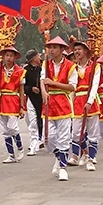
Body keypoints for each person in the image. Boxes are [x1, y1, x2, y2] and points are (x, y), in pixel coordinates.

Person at [42, 37, 77, 181]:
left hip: (63, 102)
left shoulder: (70, 66)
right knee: (48, 138)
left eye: (55, 47)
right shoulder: (46, 64)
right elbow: (42, 80)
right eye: (50, 47)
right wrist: (44, 91)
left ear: (62, 50)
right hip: (49, 103)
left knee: (63, 137)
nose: (52, 50)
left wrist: (54, 83)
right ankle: (58, 157)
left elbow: (71, 86)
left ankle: (63, 167)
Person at [70, 40, 101, 170]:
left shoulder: (95, 66)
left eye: (79, 49)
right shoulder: (73, 68)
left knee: (93, 132)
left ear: (86, 51)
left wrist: (90, 101)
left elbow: (95, 84)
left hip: (90, 100)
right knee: (76, 132)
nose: (77, 52)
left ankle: (91, 158)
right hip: (77, 100)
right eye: (75, 49)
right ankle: (77, 155)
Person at [0, 46, 26, 163]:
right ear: (3, 57)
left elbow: (22, 90)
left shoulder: (20, 71)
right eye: (7, 55)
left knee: (13, 128)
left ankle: (19, 147)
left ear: (14, 58)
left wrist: (22, 107)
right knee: (5, 130)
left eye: (11, 56)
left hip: (14, 100)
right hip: (3, 100)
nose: (8, 58)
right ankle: (11, 154)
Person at [23, 50, 44, 154]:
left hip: (43, 97)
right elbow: (23, 87)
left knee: (42, 120)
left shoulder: (42, 68)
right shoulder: (26, 70)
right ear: (33, 58)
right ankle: (33, 143)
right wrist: (31, 89)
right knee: (32, 121)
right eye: (37, 55)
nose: (39, 57)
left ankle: (42, 139)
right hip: (31, 98)